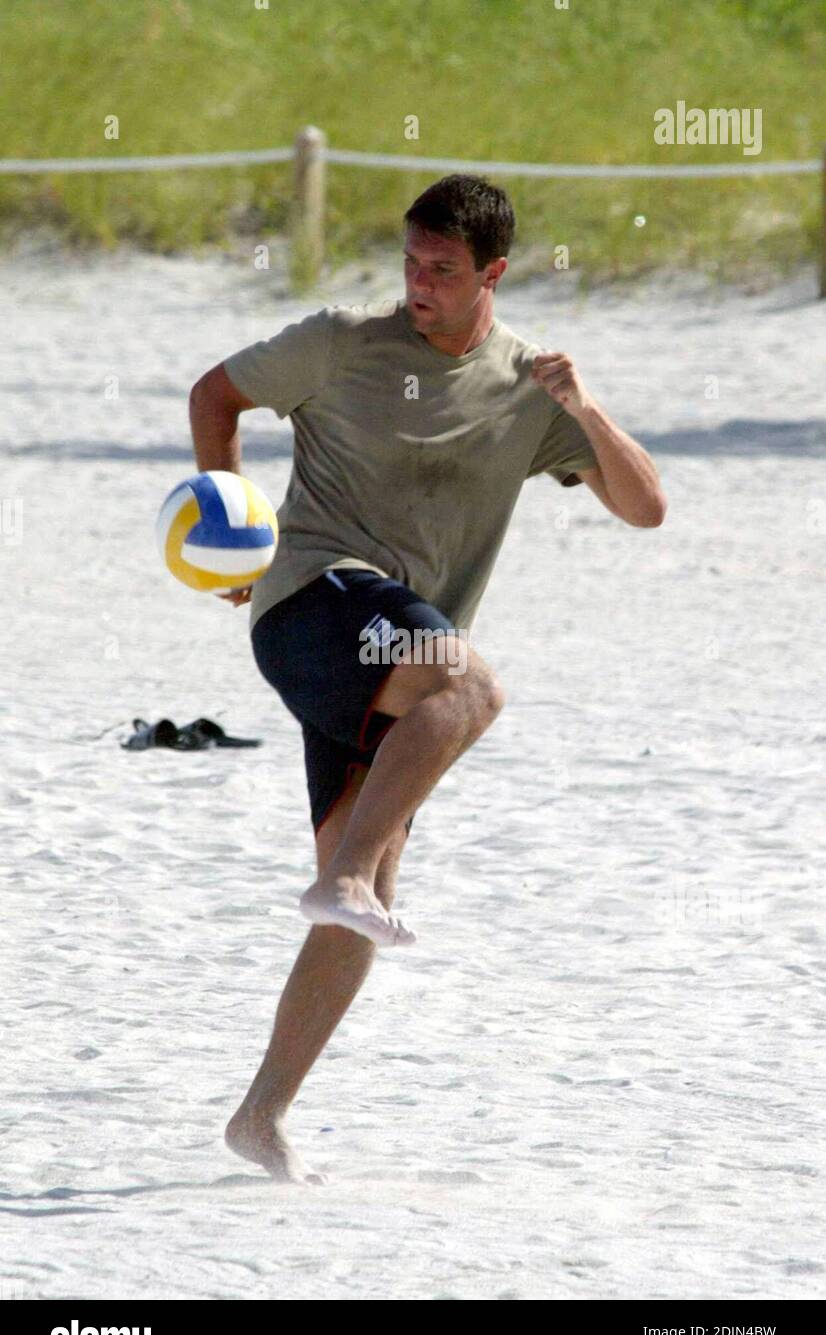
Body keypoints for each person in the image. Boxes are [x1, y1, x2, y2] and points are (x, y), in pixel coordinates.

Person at [188, 174, 667, 1183]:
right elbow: (215, 394)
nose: (418, 283)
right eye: (410, 261)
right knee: (470, 691)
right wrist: (227, 521)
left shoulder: (522, 388)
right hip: (314, 602)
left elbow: (645, 506)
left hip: (392, 659)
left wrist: (582, 406)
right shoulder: (339, 341)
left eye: (442, 270)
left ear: (492, 274)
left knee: (362, 898)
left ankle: (260, 1114)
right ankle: (346, 874)